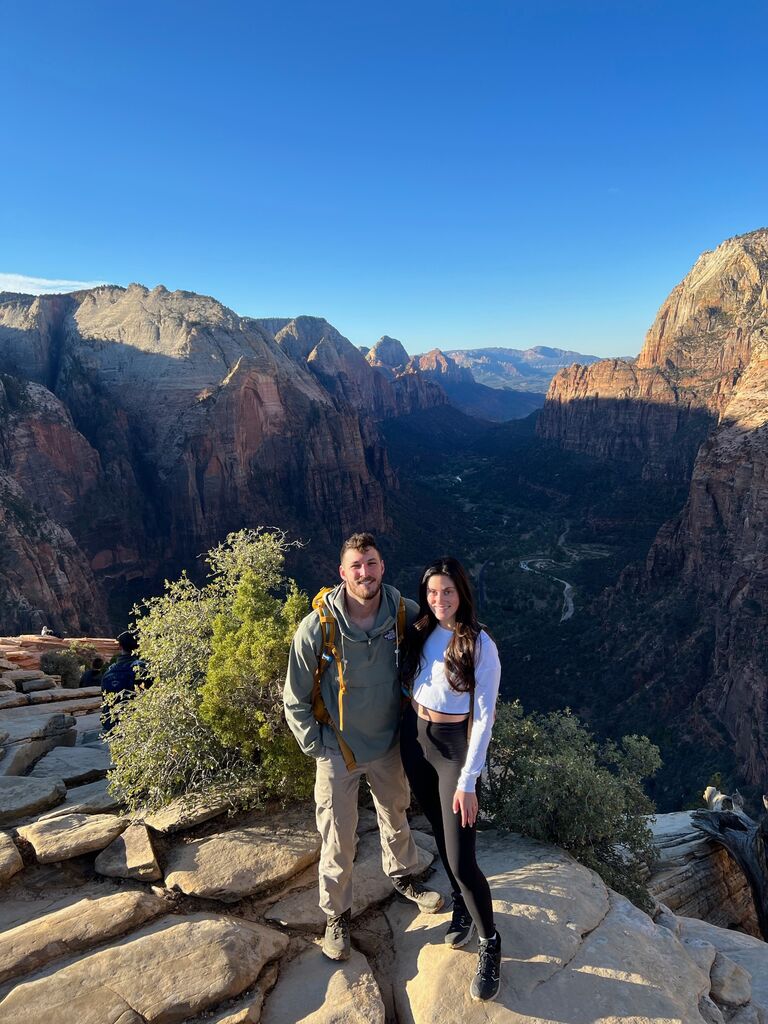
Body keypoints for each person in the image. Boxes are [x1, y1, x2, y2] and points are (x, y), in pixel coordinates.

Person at [284, 532, 444, 962]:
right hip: (339, 748)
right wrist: (317, 745)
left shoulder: (401, 612)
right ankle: (336, 915)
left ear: (382, 567)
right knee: (337, 833)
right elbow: (294, 696)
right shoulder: (318, 626)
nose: (364, 573)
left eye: (371, 563)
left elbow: (439, 633)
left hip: (389, 741)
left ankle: (405, 876)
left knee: (396, 811)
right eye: (356, 565)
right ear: (342, 572)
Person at [400, 557, 502, 1002]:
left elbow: (483, 718)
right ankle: (460, 905)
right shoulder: (422, 630)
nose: (439, 600)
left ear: (462, 594)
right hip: (415, 739)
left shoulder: (480, 645)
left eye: (448, 592)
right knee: (441, 835)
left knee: (462, 860)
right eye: (433, 592)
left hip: (451, 751)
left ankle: (490, 942)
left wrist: (468, 780)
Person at [100, 631, 147, 733]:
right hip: (136, 724)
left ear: (120, 646)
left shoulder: (110, 670)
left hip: (111, 724)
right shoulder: (142, 668)